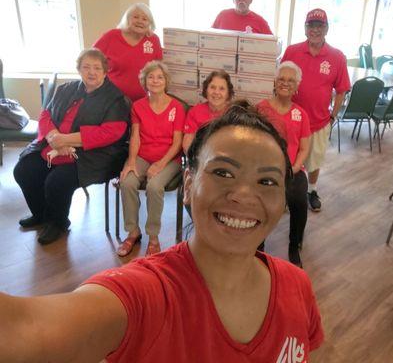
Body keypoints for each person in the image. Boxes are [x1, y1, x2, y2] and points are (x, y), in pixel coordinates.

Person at [0, 101, 324, 362]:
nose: (242, 195)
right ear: (187, 185)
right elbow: (26, 331)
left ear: (282, 197)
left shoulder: (297, 286)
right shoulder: (146, 294)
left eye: (267, 181)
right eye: (223, 172)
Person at [13, 48, 129, 245]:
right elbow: (45, 114)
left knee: (57, 181)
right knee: (24, 169)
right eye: (86, 67)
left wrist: (66, 140)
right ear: (79, 69)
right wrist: (53, 136)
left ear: (105, 71)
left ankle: (58, 223)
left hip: (96, 154)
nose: (91, 72)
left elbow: (112, 132)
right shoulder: (66, 89)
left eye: (96, 68)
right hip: (54, 143)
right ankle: (42, 215)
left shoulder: (115, 98)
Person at [281, 8, 351, 212]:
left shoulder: (337, 57)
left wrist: (332, 116)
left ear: (327, 28)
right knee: (288, 157)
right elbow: (279, 80)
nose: (315, 30)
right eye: (311, 26)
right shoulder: (292, 51)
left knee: (314, 159)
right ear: (305, 29)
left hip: (319, 121)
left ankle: (311, 190)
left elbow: (341, 90)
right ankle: (286, 191)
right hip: (290, 120)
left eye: (320, 26)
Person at [118, 61, 186, 257]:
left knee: (154, 186)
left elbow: (177, 142)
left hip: (169, 159)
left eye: (160, 77)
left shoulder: (177, 107)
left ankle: (153, 236)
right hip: (142, 155)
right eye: (151, 77)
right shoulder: (138, 106)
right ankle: (133, 232)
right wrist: (131, 161)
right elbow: (135, 137)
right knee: (127, 181)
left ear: (166, 81)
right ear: (144, 81)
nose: (155, 81)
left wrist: (160, 164)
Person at [257, 61, 311, 267]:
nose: (285, 83)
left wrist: (294, 168)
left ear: (297, 86)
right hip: (264, 168)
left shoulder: (301, 114)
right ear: (274, 82)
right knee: (259, 201)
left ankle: (294, 244)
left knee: (299, 199)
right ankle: (257, 244)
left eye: (290, 80)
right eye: (281, 79)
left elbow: (304, 148)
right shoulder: (261, 109)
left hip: (292, 169)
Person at [94, 3, 163, 102]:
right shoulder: (111, 36)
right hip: (111, 99)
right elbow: (91, 58)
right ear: (127, 19)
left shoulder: (153, 40)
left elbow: (158, 68)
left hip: (142, 101)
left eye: (145, 19)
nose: (140, 21)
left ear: (150, 23)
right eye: (136, 17)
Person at [182, 70, 234, 153]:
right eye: (212, 87)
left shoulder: (235, 113)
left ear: (228, 93)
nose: (216, 92)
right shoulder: (195, 112)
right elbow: (187, 145)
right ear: (206, 90)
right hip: (201, 158)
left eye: (222, 89)